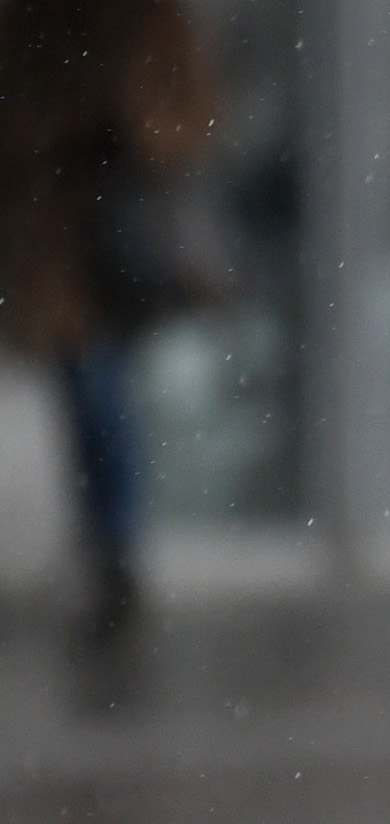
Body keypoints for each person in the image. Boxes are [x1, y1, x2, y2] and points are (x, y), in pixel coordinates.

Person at [0, 0, 219, 640]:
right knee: (87, 388)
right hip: (62, 233)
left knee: (99, 390)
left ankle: (114, 550)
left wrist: (124, 129)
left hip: (114, 223)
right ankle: (108, 549)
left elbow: (186, 112)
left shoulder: (144, 17)